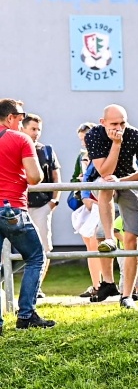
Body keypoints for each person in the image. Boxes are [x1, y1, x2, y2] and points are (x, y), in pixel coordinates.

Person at [85, 104, 138, 309]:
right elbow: (105, 171)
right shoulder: (94, 135)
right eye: (114, 124)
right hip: (105, 181)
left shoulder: (134, 135)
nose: (119, 128)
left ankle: (127, 295)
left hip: (129, 181)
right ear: (102, 122)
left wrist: (122, 181)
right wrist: (116, 145)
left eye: (122, 123)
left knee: (132, 241)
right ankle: (108, 241)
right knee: (106, 184)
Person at [0, 99, 53, 331]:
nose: (22, 122)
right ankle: (26, 315)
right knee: (36, 257)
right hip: (12, 207)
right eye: (20, 117)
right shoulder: (21, 139)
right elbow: (35, 177)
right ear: (10, 117)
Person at [70, 121, 115, 300]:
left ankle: (109, 282)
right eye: (81, 140)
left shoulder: (103, 154)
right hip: (87, 205)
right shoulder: (81, 157)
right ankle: (96, 283)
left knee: (101, 242)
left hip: (101, 203)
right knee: (90, 245)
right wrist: (81, 189)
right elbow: (76, 179)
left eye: (86, 139)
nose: (84, 143)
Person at [20, 114, 58, 288]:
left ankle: (38, 287)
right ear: (23, 128)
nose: (36, 133)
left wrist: (53, 202)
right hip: (20, 205)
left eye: (38, 130)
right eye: (33, 129)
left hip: (42, 205)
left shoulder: (46, 151)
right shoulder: (17, 146)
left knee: (44, 247)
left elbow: (56, 178)